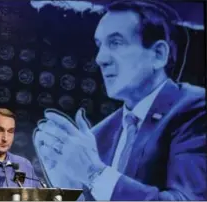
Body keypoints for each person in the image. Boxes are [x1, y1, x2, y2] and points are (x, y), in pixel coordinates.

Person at [33, 0, 206, 200]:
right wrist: (70, 187)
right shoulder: (100, 134)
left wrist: (93, 173)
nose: (100, 58)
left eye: (116, 42)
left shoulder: (196, 110)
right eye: (100, 45)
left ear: (159, 54)